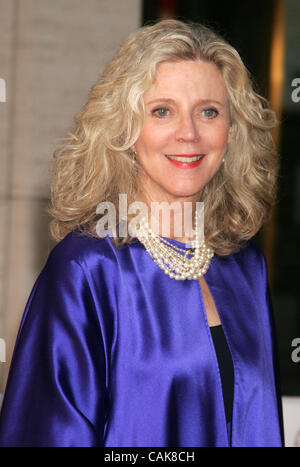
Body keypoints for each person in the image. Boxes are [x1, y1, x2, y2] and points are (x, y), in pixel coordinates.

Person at [0, 19, 284, 447]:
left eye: (209, 111)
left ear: (232, 130)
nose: (188, 133)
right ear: (126, 130)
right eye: (162, 111)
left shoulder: (246, 266)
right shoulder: (87, 269)